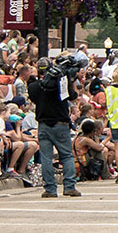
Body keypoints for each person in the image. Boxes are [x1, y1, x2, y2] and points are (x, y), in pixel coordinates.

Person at [27, 55, 80, 197]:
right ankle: (69, 186)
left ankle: (50, 189)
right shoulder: (60, 83)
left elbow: (34, 99)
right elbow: (73, 96)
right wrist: (70, 79)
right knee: (67, 156)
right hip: (60, 123)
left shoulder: (33, 87)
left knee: (46, 157)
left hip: (43, 124)